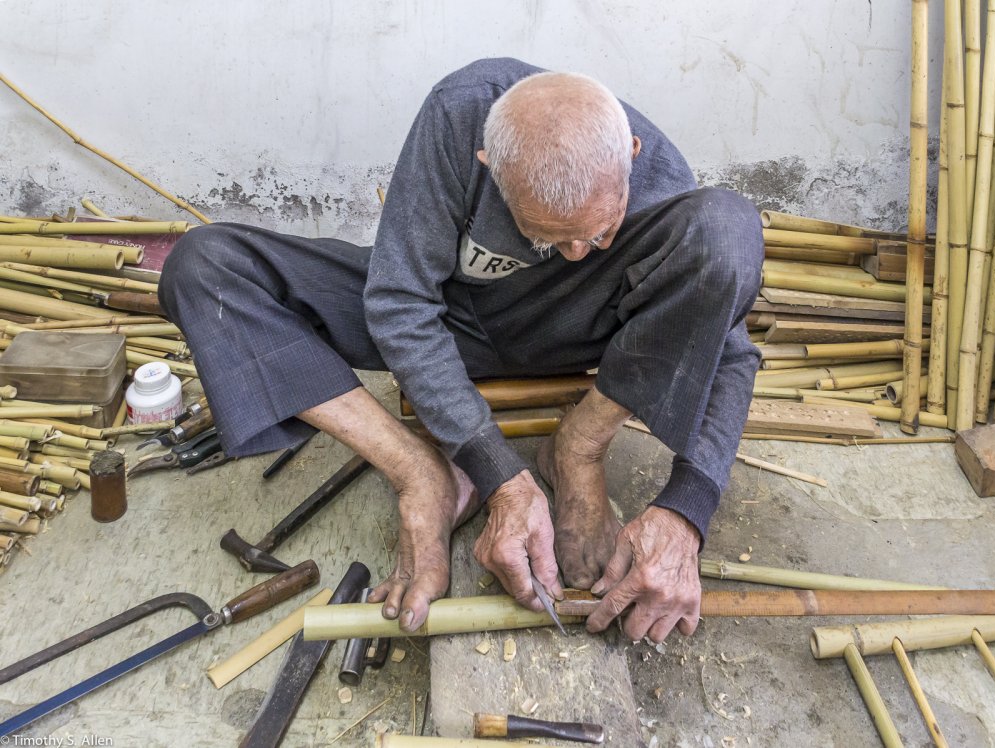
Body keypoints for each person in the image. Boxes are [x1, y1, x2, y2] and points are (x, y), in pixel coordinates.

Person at [159, 57, 763, 643]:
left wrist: (686, 507)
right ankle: (425, 472)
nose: (578, 251)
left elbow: (727, 353)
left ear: (629, 156)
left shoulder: (656, 177)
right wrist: (497, 474)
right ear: (488, 164)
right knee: (204, 267)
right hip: (451, 323)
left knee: (726, 231)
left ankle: (575, 448)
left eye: (598, 232)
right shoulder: (458, 117)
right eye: (548, 235)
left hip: (589, 327)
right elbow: (400, 302)